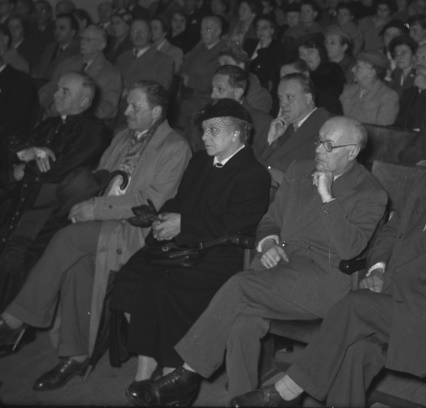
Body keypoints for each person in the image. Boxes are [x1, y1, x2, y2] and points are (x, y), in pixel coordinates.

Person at [229, 129, 426, 408]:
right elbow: (390, 233)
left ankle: (285, 392)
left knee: (355, 305)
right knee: (355, 351)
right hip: (391, 297)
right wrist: (377, 268)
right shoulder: (424, 186)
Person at [125, 116, 388, 406]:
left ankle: (187, 374)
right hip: (279, 268)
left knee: (238, 286)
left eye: (329, 145)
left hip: (321, 283)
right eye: (318, 141)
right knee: (242, 324)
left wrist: (327, 196)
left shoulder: (371, 193)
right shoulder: (300, 170)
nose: (318, 149)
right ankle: (242, 399)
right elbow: (270, 220)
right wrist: (269, 242)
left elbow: (350, 249)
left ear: (352, 152)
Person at [0, 82, 191, 390]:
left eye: (135, 106)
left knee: (67, 238)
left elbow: (152, 203)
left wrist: (96, 208)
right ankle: (75, 355)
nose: (126, 111)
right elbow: (100, 178)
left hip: (137, 231)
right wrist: (85, 199)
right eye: (127, 104)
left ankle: (14, 320)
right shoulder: (121, 138)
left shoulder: (175, 147)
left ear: (156, 112)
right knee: (79, 265)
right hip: (102, 225)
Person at [110, 99, 270, 393]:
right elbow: (179, 200)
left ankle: (172, 376)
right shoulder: (200, 161)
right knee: (129, 279)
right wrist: (162, 219)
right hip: (184, 246)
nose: (204, 137)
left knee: (163, 287)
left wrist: (183, 224)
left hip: (220, 253)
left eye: (212, 131)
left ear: (236, 133)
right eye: (203, 130)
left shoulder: (253, 173)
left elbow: (234, 225)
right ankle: (147, 364)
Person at [0, 73, 111, 308]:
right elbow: (13, 153)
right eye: (58, 89)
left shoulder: (93, 129)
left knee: (14, 263)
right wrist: (31, 153)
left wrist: (23, 168)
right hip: (20, 202)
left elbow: (59, 169)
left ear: (84, 101)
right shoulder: (50, 124)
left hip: (48, 215)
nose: (56, 95)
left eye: (64, 91)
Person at [38, 25, 123, 123]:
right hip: (55, 118)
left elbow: (107, 108)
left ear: (102, 45)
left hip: (87, 124)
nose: (83, 42)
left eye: (88, 39)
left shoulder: (111, 74)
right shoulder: (67, 63)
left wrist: (72, 111)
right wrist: (52, 105)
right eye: (82, 38)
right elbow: (46, 90)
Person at [260, 73, 331, 186]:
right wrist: (272, 139)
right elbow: (260, 165)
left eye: (289, 97)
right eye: (280, 98)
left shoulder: (327, 127)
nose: (283, 103)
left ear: (308, 98)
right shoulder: (282, 126)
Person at [209, 65, 272, 162]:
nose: (212, 96)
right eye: (212, 89)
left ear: (237, 93)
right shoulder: (206, 118)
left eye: (220, 90)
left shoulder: (262, 123)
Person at [177, 15, 226, 137]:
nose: (203, 32)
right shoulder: (200, 47)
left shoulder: (224, 51)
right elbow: (183, 67)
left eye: (208, 29)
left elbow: (216, 82)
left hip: (205, 100)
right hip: (187, 96)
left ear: (218, 32)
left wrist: (191, 81)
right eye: (202, 29)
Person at [393, 43, 426, 130]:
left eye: (423, 58)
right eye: (416, 58)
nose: (418, 62)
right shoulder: (409, 92)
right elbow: (399, 124)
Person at [340, 51, 399, 125]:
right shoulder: (348, 90)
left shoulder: (389, 96)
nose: (352, 70)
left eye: (358, 67)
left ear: (371, 73)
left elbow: (381, 129)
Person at [297, 37, 346, 115]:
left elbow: (331, 96)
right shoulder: (298, 76)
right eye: (302, 54)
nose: (306, 57)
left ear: (320, 53)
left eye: (310, 52)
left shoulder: (332, 69)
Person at [34, 13, 81, 81]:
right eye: (55, 28)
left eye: (62, 28)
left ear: (73, 32)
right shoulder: (49, 48)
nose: (57, 32)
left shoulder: (78, 50)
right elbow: (40, 68)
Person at [244, 14, 285, 92]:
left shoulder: (278, 47)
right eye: (258, 28)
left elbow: (265, 73)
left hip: (261, 85)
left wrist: (263, 49)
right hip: (245, 79)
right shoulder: (249, 43)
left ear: (272, 30)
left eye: (264, 27)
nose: (260, 30)